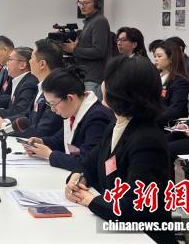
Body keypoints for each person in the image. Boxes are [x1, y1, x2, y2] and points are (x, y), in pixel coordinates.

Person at [64, 56, 175, 244]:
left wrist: (90, 200)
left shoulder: (147, 140)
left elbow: (136, 206)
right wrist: (78, 177)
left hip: (143, 236)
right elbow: (88, 163)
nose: (102, 84)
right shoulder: (116, 125)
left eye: (107, 80)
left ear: (120, 91)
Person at [23, 66, 113, 170]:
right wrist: (41, 142)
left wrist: (49, 154)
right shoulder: (74, 111)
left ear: (70, 98)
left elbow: (86, 162)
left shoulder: (97, 118)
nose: (52, 109)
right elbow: (59, 140)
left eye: (53, 104)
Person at [0, 39, 65, 137]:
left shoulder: (56, 90)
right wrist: (5, 121)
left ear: (42, 64)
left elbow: (42, 131)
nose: (29, 62)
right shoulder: (42, 86)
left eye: (31, 58)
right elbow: (27, 114)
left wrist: (3, 127)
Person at [60, 0, 111, 98]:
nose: (82, 6)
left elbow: (99, 51)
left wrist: (74, 50)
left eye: (86, 3)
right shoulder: (90, 21)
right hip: (86, 77)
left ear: (96, 3)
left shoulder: (99, 21)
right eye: (80, 3)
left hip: (93, 78)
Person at [153, 41, 189, 126]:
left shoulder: (180, 82)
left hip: (167, 124)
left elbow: (174, 111)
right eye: (155, 56)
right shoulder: (155, 76)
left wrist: (150, 117)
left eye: (159, 56)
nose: (155, 59)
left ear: (171, 58)